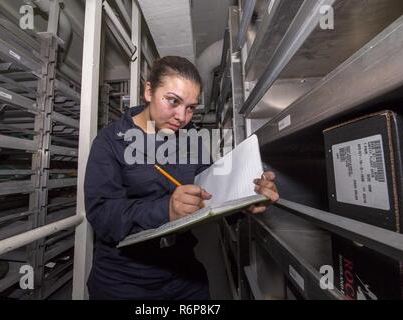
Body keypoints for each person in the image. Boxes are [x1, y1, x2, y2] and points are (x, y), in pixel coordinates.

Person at [84, 56, 279, 300]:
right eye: (173, 101)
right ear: (148, 91)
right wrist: (166, 210)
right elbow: (101, 214)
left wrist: (245, 199)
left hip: (182, 274)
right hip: (124, 280)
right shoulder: (110, 142)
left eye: (190, 107)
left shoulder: (192, 139)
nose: (182, 117)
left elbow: (213, 193)